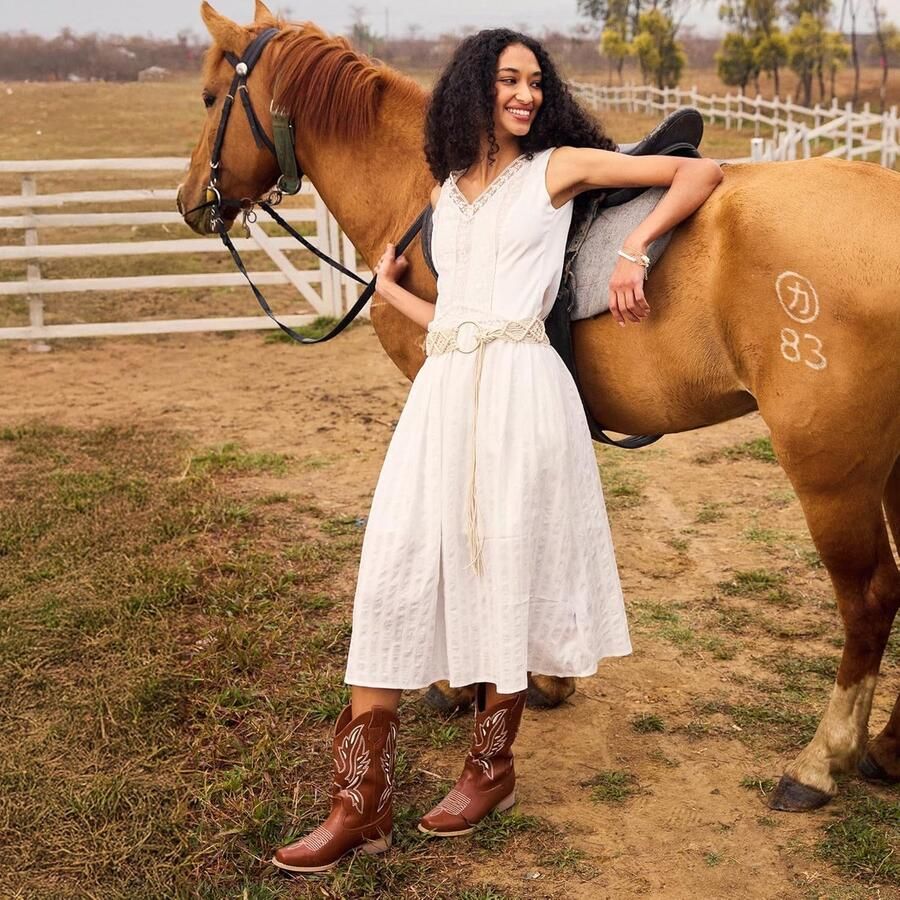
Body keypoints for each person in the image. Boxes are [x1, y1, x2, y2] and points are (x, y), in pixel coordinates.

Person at [272, 28, 723, 874]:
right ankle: (357, 801)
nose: (524, 94)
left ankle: (490, 767)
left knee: (506, 569)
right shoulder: (448, 196)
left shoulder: (556, 170)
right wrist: (390, 293)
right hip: (446, 394)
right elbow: (454, 323)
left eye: (534, 82)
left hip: (525, 393)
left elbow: (700, 172)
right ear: (472, 91)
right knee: (396, 567)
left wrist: (632, 250)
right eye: (508, 81)